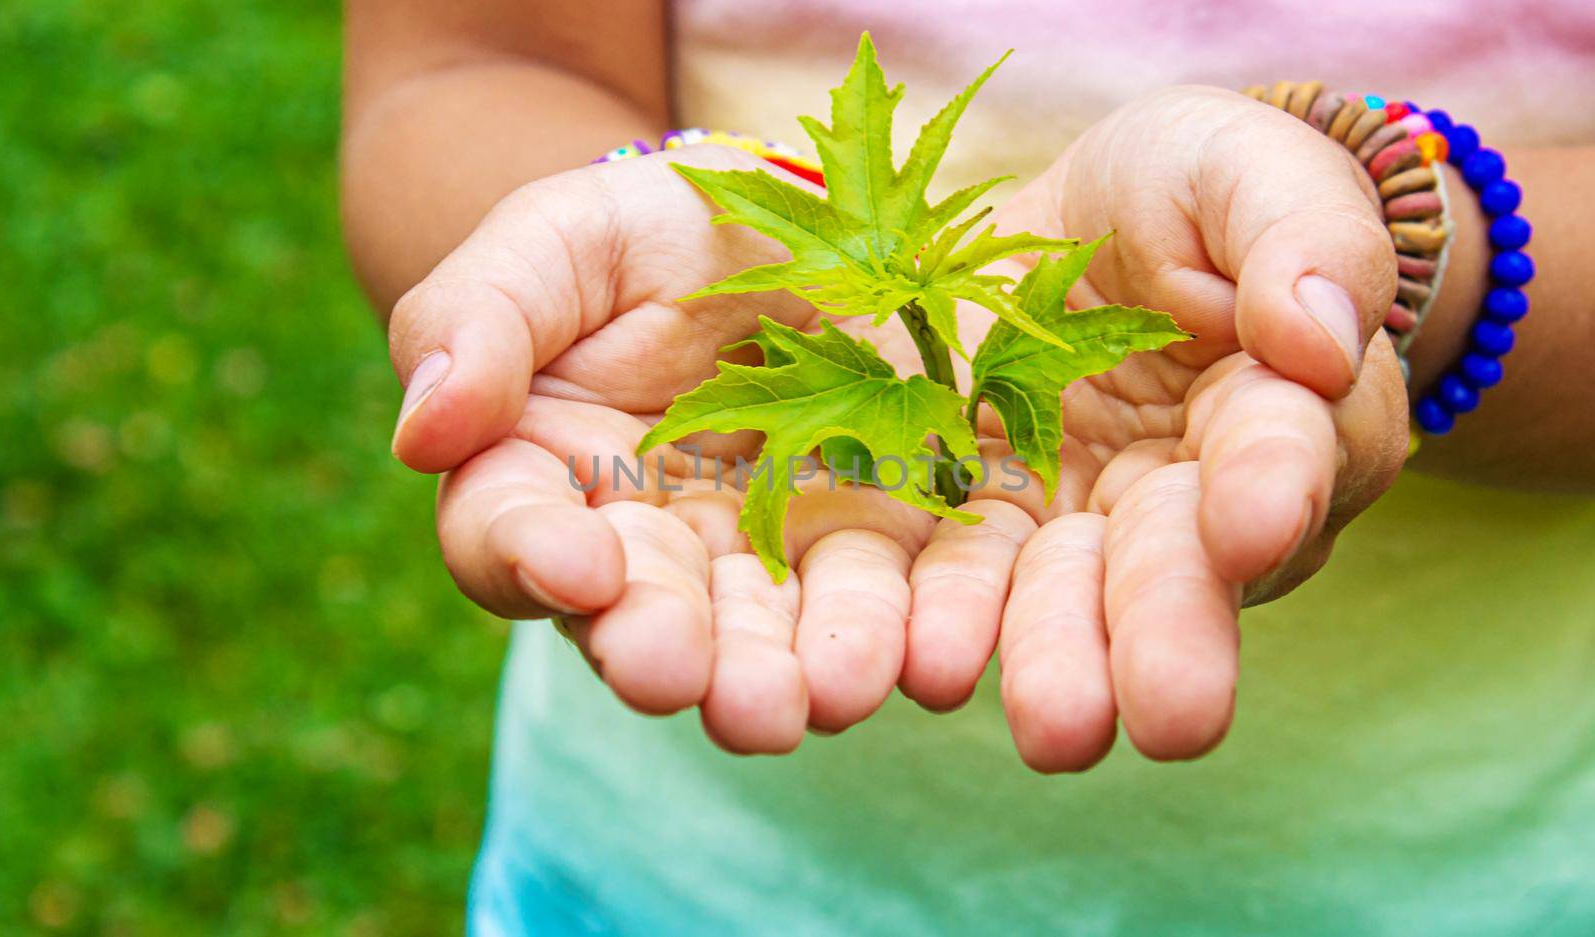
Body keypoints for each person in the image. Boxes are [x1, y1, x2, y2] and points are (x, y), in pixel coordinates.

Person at [341, 1, 1595, 931]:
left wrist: (1393, 260)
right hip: (675, 868)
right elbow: (470, 60)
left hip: (1475, 869)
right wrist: (582, 264)